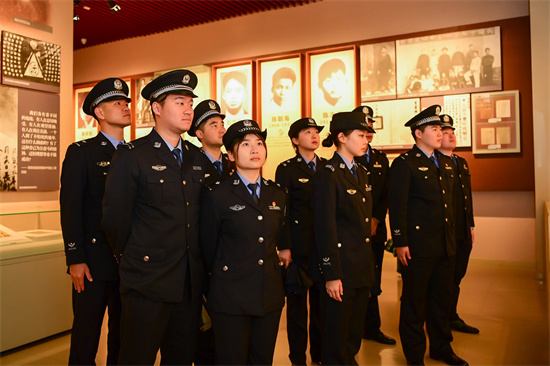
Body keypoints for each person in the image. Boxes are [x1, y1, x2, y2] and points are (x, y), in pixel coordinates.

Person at [102, 69, 211, 365]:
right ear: (157, 108)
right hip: (147, 282)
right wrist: (133, 259)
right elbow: (116, 220)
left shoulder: (195, 157)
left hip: (188, 283)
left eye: (190, 103)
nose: (188, 109)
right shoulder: (133, 155)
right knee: (137, 357)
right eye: (179, 102)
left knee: (180, 357)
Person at [199, 119, 291, 365]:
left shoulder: (277, 194)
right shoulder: (217, 195)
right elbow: (208, 250)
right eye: (246, 144)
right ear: (230, 154)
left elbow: (279, 237)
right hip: (231, 297)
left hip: (268, 295)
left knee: (262, 359)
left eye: (259, 143)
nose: (255, 149)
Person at [389, 105, 468, 366]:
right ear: (418, 133)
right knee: (415, 303)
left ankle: (441, 347)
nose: (439, 133)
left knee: (441, 300)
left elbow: (451, 206)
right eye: (434, 129)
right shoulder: (404, 164)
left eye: (440, 129)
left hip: (445, 246)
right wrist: (400, 241)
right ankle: (414, 356)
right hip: (418, 248)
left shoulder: (446, 163)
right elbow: (397, 207)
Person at [60, 77, 131, 365]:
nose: (125, 106)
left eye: (126, 102)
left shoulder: (135, 153)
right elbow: (71, 208)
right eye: (117, 103)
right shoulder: (82, 153)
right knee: (86, 335)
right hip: (92, 262)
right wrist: (75, 258)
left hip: (129, 262)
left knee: (122, 335)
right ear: (99, 112)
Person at [312, 111, 375, 365]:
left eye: (366, 136)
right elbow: (325, 228)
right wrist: (331, 274)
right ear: (341, 137)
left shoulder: (361, 171)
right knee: (336, 336)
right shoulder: (328, 174)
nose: (365, 140)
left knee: (352, 334)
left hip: (359, 267)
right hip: (341, 269)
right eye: (360, 135)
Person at [275, 117, 326, 365]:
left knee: (321, 307)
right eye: (307, 132)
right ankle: (297, 359)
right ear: (295, 140)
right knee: (297, 310)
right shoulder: (286, 169)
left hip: (323, 248)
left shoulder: (327, 167)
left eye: (316, 132)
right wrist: (284, 246)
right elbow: (283, 212)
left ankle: (319, 355)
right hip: (298, 250)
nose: (314, 136)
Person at [352, 106, 396, 346]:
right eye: (362, 129)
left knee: (374, 278)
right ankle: (355, 327)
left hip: (376, 228)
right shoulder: (348, 156)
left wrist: (377, 218)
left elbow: (385, 194)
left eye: (369, 128)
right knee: (355, 280)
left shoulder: (380, 158)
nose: (367, 133)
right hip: (353, 231)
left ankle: (372, 327)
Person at [438, 114, 479, 335]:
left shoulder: (460, 162)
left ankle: (451, 315)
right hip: (447, 232)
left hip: (463, 230)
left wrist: (471, 226)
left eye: (452, 132)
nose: (450, 136)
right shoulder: (437, 163)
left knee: (457, 276)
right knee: (444, 279)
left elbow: (466, 199)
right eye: (445, 133)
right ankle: (440, 318)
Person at [189, 99, 233, 183]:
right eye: (215, 126)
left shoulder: (232, 162)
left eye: (222, 125)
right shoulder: (192, 163)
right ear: (200, 134)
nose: (222, 130)